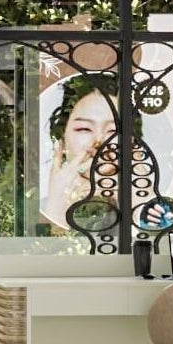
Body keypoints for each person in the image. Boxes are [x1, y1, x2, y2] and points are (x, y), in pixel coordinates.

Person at [43, 74, 120, 230]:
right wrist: (56, 208)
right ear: (62, 141)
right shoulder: (41, 209)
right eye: (84, 129)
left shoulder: (146, 206)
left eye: (113, 131)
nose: (98, 141)